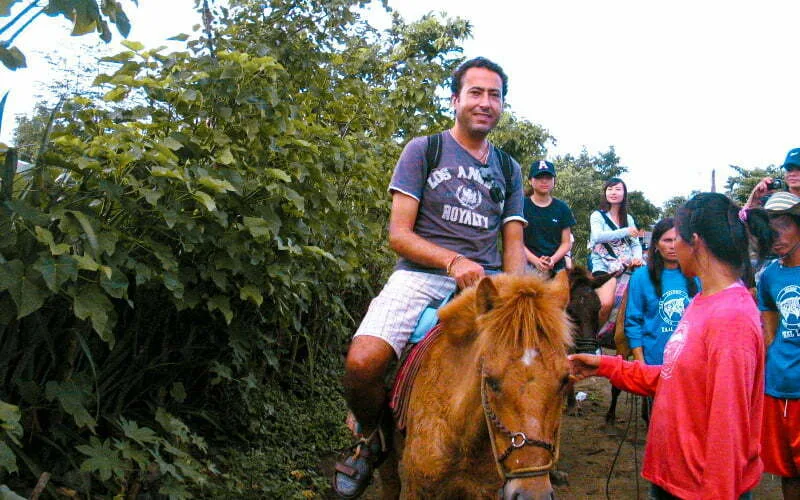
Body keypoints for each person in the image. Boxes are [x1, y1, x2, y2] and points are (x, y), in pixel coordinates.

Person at [333, 57, 526, 498]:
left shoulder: (510, 169)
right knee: (362, 363)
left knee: (532, 366)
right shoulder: (425, 150)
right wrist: (453, 263)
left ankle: (530, 460)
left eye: (494, 95)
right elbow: (399, 234)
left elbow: (513, 243)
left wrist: (514, 294)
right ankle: (371, 435)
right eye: (475, 93)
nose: (485, 102)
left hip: (486, 284)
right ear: (455, 99)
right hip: (421, 276)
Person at [570, 192, 772, 500]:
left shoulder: (731, 318)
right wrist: (606, 366)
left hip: (699, 488)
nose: (672, 245)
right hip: (673, 478)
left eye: (677, 237)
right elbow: (676, 380)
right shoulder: (702, 302)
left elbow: (727, 434)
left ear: (696, 241)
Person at [753, 191, 800, 499]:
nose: (777, 236)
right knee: (788, 471)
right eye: (770, 229)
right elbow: (769, 332)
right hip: (780, 387)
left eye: (784, 225)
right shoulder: (769, 275)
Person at [625, 217, 699, 366]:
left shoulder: (698, 275)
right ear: (656, 245)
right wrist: (641, 364)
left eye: (677, 240)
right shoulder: (640, 277)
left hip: (691, 365)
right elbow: (633, 323)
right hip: (654, 363)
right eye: (667, 240)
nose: (672, 246)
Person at [588, 177, 643, 326]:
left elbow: (635, 244)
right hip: (603, 267)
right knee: (606, 303)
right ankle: (594, 338)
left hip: (627, 266)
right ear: (605, 193)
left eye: (618, 189)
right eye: (610, 189)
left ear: (624, 194)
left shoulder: (628, 218)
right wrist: (625, 231)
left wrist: (637, 258)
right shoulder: (597, 216)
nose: (613, 192)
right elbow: (598, 236)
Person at [522, 160, 576, 277]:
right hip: (527, 267)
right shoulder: (520, 206)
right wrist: (536, 261)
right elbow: (517, 242)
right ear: (530, 180)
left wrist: (552, 260)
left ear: (554, 181)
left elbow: (566, 243)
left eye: (548, 177)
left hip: (556, 267)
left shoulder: (562, 208)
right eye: (539, 177)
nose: (544, 181)